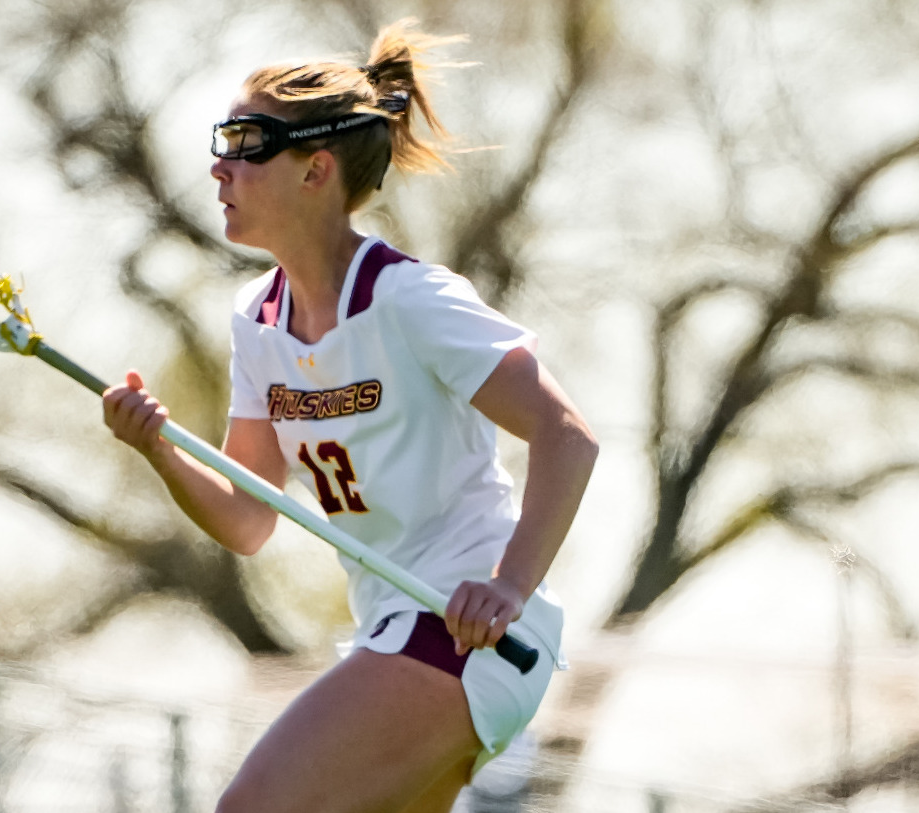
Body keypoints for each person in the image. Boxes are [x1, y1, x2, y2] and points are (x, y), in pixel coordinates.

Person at [102, 19, 598, 813]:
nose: (218, 166)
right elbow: (247, 518)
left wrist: (507, 585)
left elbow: (567, 434)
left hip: (466, 634)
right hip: (395, 633)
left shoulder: (408, 299)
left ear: (316, 169)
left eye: (245, 141)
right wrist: (159, 448)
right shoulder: (256, 321)